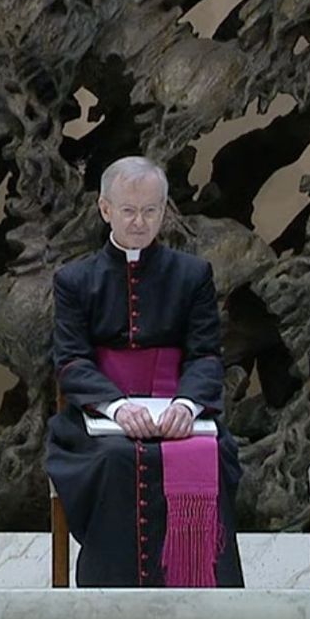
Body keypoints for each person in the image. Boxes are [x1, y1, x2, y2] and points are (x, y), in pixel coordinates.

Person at [45, 156, 243, 587]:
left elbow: (206, 355)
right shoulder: (75, 280)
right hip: (98, 417)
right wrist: (115, 407)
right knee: (116, 458)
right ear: (105, 209)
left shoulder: (192, 275)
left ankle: (200, 596)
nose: (139, 222)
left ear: (164, 210)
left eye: (150, 211)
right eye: (129, 210)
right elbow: (72, 360)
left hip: (178, 410)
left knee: (207, 453)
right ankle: (111, 597)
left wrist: (188, 406)